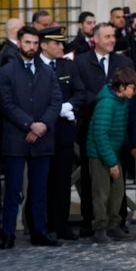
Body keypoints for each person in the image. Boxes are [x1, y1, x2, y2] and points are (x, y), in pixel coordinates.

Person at [0, 26, 62, 249]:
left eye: (35, 43)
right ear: (19, 43)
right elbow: (5, 104)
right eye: (27, 43)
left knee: (39, 189)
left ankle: (39, 231)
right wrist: (29, 124)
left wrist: (43, 124)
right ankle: (8, 233)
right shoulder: (6, 71)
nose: (31, 47)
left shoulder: (48, 71)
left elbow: (56, 102)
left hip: (43, 138)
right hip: (16, 138)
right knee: (13, 189)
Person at [37, 27, 87, 240]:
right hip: (42, 131)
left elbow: (81, 92)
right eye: (56, 43)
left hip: (64, 132)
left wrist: (69, 106)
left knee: (62, 180)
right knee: (41, 181)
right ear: (44, 45)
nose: (61, 47)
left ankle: (61, 224)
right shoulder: (35, 66)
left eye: (61, 43)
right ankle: (41, 223)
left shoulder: (68, 65)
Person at [86, 67, 136, 243]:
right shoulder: (107, 103)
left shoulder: (122, 101)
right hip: (101, 154)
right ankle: (100, 229)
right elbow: (100, 134)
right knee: (101, 193)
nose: (135, 90)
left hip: (112, 152)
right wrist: (111, 162)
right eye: (132, 87)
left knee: (117, 191)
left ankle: (113, 224)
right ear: (122, 86)